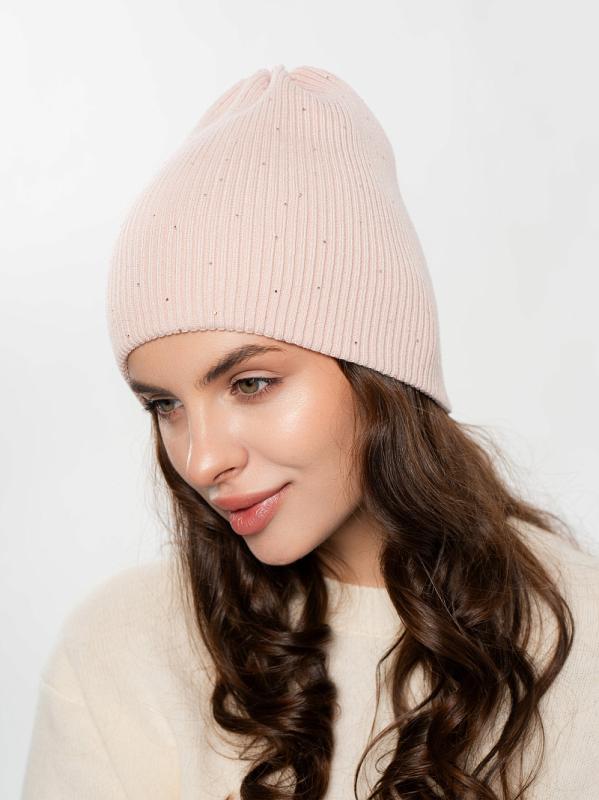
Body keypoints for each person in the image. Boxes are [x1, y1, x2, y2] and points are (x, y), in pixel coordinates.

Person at [21, 64, 599, 800]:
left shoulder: (580, 641)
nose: (202, 459)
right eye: (164, 404)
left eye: (250, 384)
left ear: (380, 367)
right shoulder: (119, 653)